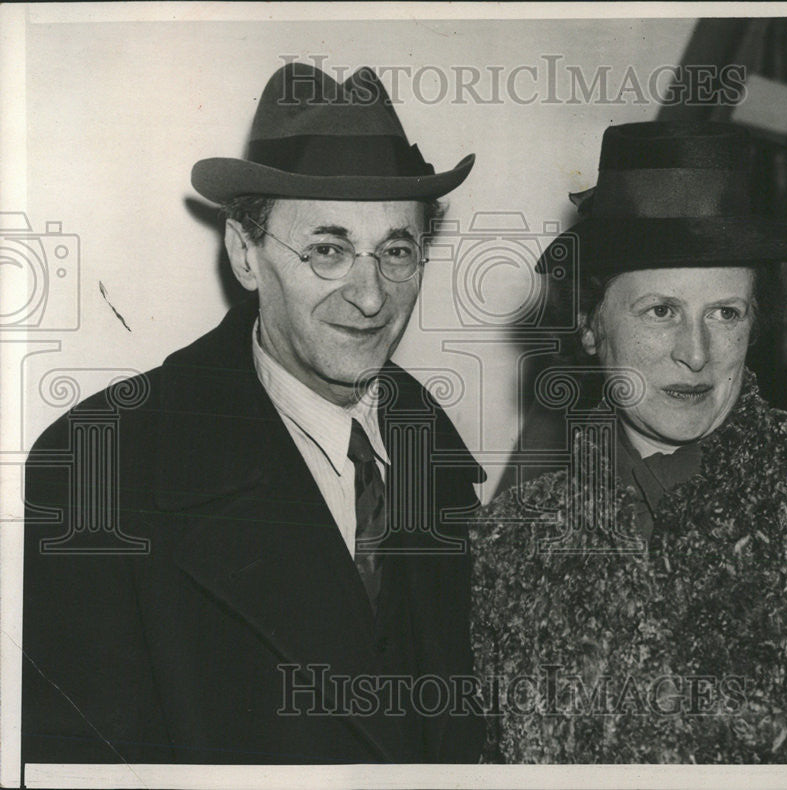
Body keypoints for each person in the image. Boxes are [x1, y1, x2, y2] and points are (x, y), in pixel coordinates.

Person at [23, 62, 484, 765]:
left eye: (397, 251)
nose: (370, 296)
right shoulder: (101, 466)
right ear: (245, 252)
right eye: (328, 250)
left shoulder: (437, 453)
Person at [471, 122, 787, 763]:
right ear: (590, 325)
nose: (697, 353)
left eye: (725, 313)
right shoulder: (510, 544)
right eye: (662, 311)